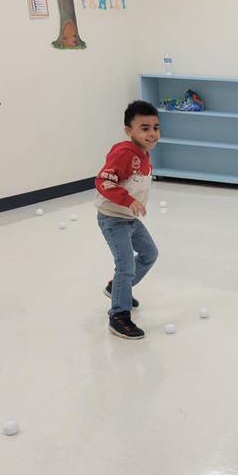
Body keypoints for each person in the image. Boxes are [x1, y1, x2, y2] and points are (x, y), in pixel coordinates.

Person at [96, 100, 161, 340]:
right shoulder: (124, 152)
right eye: (144, 128)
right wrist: (128, 200)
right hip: (113, 218)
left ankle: (116, 288)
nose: (152, 133)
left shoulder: (143, 155)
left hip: (129, 218)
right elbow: (103, 182)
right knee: (126, 265)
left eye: (155, 127)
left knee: (149, 254)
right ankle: (119, 315)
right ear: (128, 131)